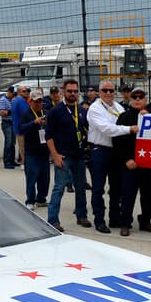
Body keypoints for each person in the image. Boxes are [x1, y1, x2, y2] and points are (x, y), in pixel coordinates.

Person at [87, 79, 138, 233]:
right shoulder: (94, 109)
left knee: (116, 188)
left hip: (115, 152)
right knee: (98, 188)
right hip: (99, 150)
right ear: (99, 92)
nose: (108, 93)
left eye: (111, 90)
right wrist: (129, 129)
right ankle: (99, 220)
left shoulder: (119, 107)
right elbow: (107, 129)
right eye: (105, 90)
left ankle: (114, 218)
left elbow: (126, 121)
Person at [46, 79, 90, 231]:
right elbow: (48, 136)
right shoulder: (55, 111)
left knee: (80, 188)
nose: (72, 94)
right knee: (59, 188)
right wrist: (55, 155)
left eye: (75, 91)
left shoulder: (82, 111)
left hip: (79, 156)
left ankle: (81, 216)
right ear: (63, 91)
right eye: (69, 91)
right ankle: (52, 220)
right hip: (63, 156)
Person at [114, 87, 151, 236]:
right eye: (134, 97)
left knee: (149, 195)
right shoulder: (123, 117)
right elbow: (116, 141)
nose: (137, 99)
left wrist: (148, 118)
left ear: (145, 100)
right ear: (130, 100)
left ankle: (145, 222)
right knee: (127, 195)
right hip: (130, 164)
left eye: (141, 97)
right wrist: (126, 159)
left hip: (146, 163)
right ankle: (125, 223)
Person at [16, 86, 49, 210]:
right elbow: (21, 129)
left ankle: (41, 198)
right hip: (32, 152)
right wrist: (34, 123)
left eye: (41, 101)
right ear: (31, 102)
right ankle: (30, 200)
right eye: (36, 101)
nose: (39, 103)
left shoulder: (46, 112)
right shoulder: (26, 114)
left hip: (44, 150)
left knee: (44, 178)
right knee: (31, 177)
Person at [0, 85, 18, 168]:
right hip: (7, 123)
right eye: (13, 94)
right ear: (9, 92)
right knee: (8, 142)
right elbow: (2, 113)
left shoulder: (13, 100)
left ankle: (12, 160)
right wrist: (11, 111)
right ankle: (7, 162)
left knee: (13, 142)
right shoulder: (3, 100)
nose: (14, 95)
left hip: (13, 122)